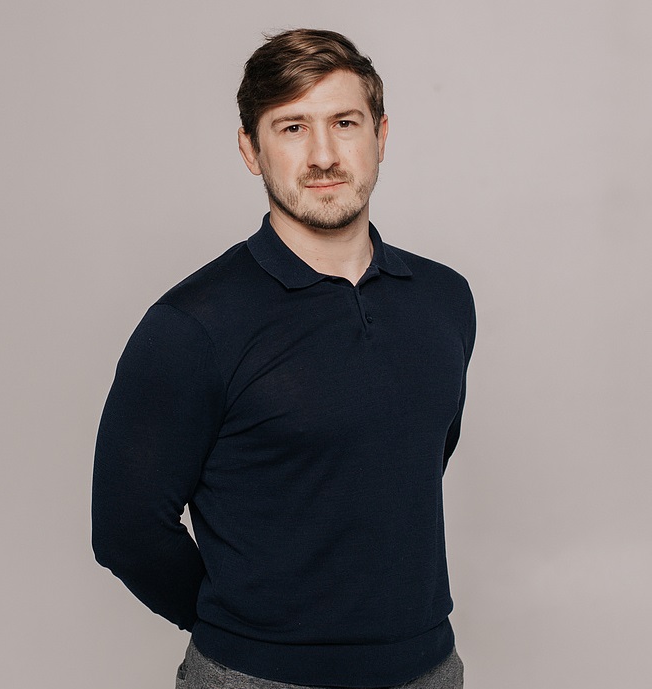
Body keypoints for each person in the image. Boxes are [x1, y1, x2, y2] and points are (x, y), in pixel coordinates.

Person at [92, 28, 475, 689]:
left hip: (430, 670)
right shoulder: (191, 325)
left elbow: (405, 465)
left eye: (344, 123)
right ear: (251, 148)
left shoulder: (443, 299)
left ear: (381, 135)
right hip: (257, 676)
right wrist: (243, 630)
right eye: (292, 127)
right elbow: (126, 530)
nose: (323, 154)